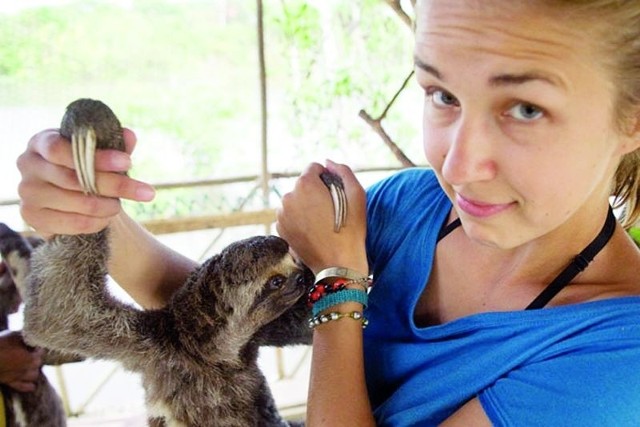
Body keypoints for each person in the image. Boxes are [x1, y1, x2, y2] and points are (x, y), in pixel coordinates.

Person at [14, 0, 640, 425]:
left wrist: (341, 277)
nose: (457, 164)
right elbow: (206, 318)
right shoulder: (414, 206)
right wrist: (91, 207)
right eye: (442, 95)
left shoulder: (618, 359)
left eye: (524, 108)